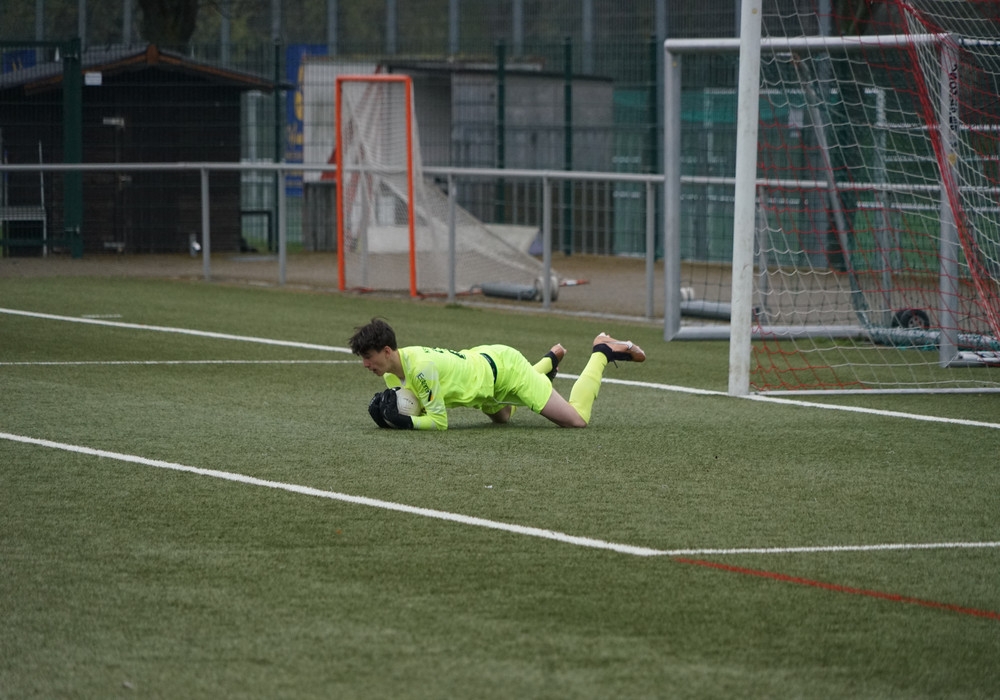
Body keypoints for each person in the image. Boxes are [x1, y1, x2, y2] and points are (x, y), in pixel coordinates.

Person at [348, 317, 645, 430]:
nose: (365, 364)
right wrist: (390, 420)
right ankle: (546, 365)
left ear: (387, 351)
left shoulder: (420, 368)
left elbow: (438, 422)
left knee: (576, 420)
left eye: (368, 357)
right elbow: (422, 407)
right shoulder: (391, 374)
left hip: (505, 370)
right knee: (502, 418)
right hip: (483, 382)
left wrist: (406, 423)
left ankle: (602, 350)